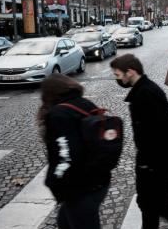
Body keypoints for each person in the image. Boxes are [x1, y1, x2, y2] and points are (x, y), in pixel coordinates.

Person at [110, 54, 168, 229]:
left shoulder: (144, 94)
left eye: (118, 74)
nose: (117, 79)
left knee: (159, 206)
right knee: (149, 206)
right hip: (158, 160)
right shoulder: (145, 90)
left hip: (156, 163)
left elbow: (155, 133)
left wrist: (147, 165)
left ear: (130, 72)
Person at [37, 74, 110, 229]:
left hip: (80, 188)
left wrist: (53, 180)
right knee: (64, 222)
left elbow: (67, 155)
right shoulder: (85, 103)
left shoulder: (58, 114)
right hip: (99, 180)